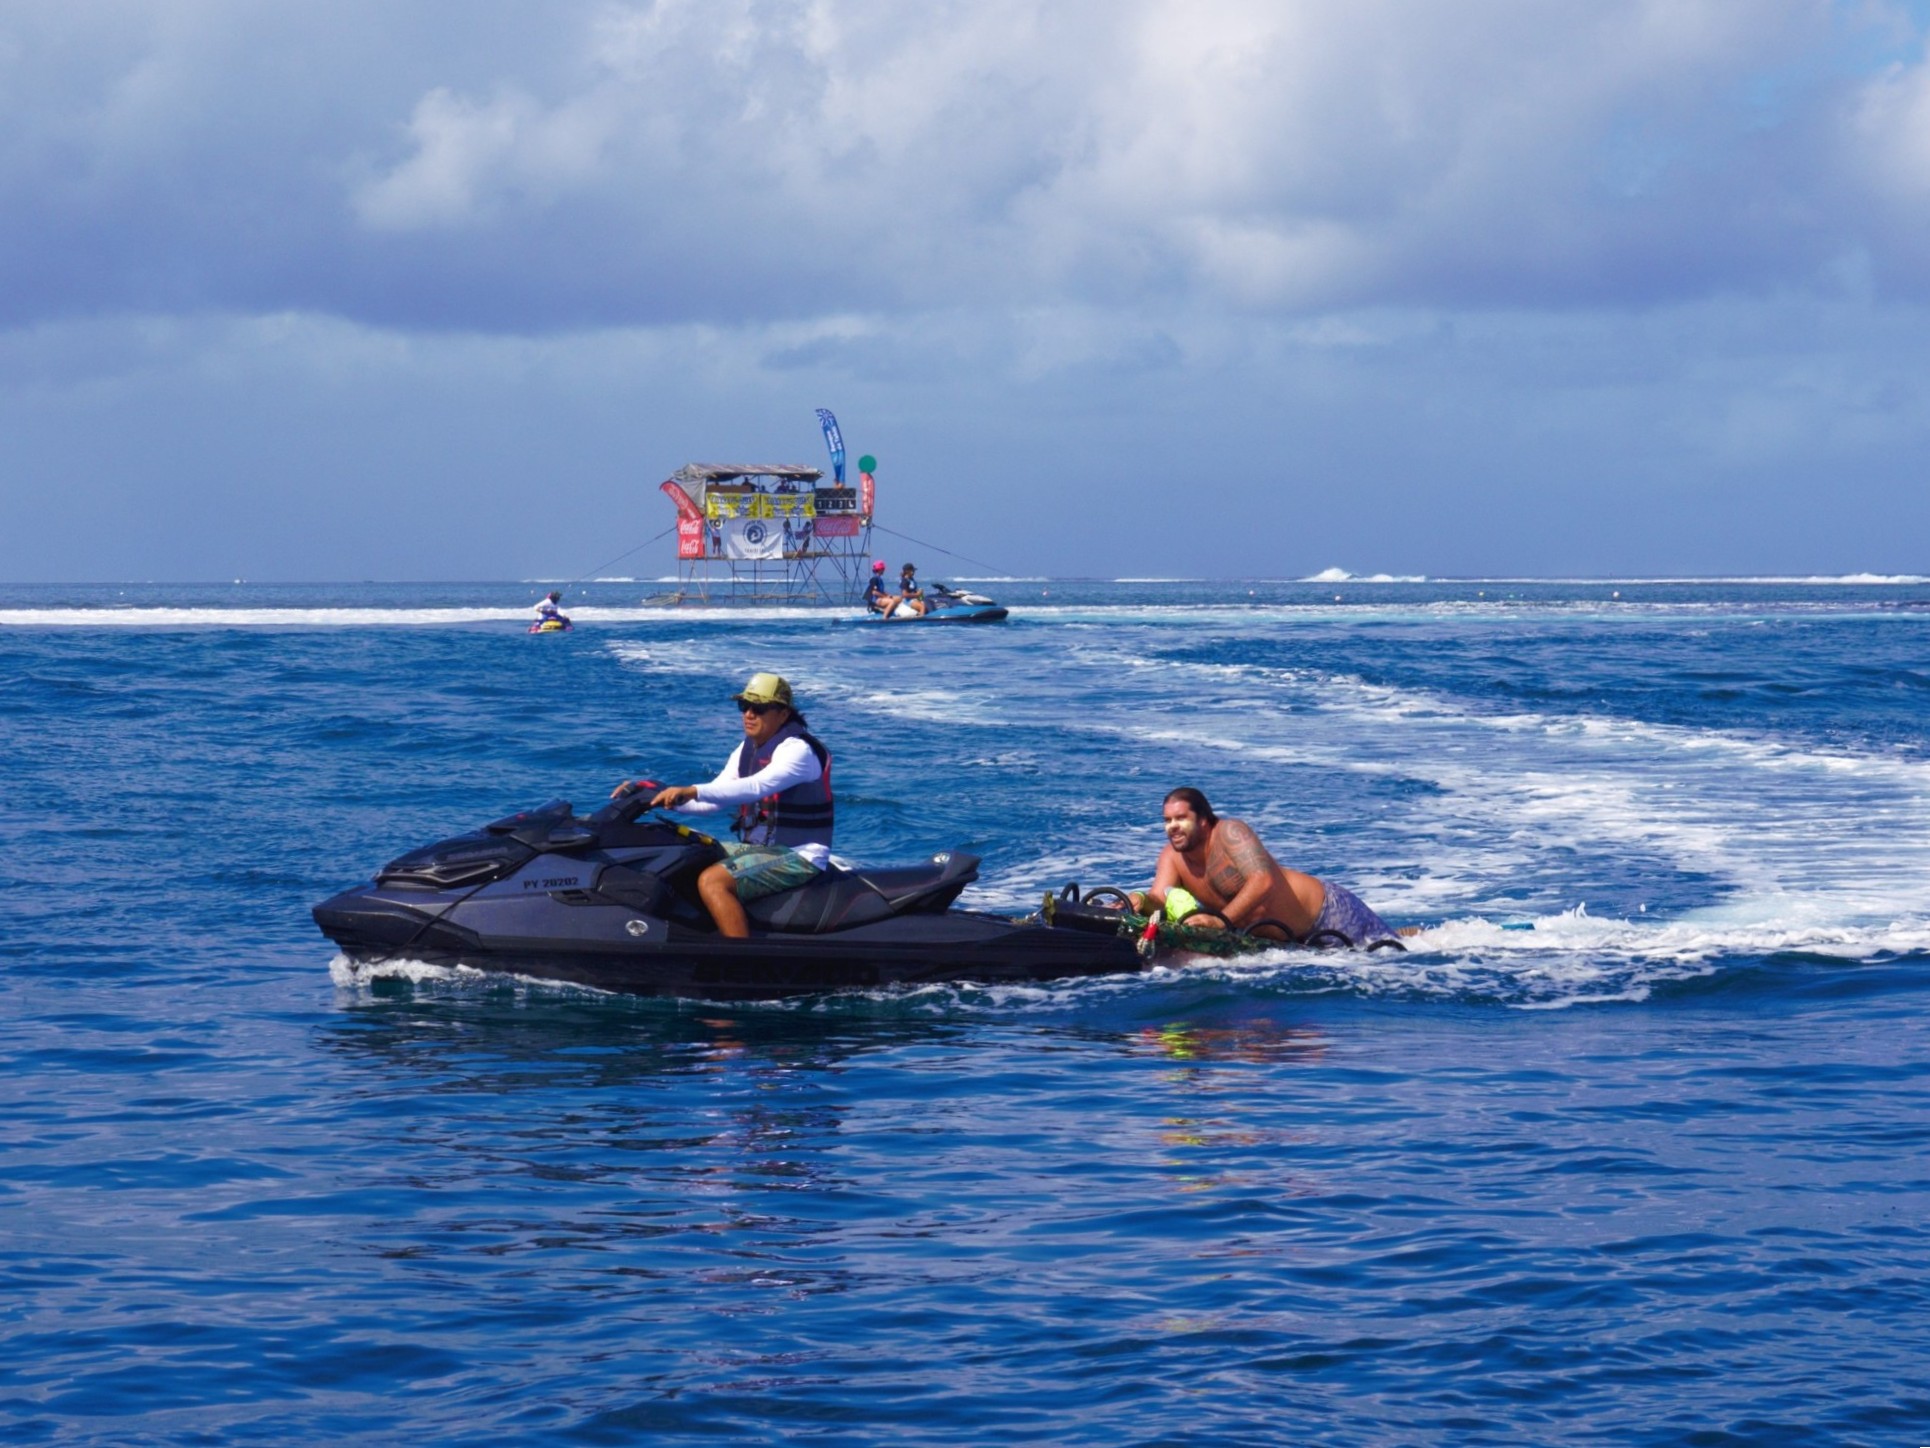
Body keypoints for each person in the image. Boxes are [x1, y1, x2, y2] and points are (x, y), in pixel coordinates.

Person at [611, 673, 833, 939]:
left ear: (783, 714)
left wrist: (691, 790)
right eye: (744, 706)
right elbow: (709, 803)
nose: (749, 714)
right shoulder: (747, 749)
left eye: (759, 708)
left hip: (799, 854)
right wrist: (655, 794)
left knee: (712, 881)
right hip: (760, 849)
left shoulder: (799, 751)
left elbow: (756, 787)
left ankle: (742, 961)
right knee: (682, 853)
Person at [1127, 787, 1405, 949]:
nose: (1172, 826)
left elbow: (1262, 880)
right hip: (1286, 940)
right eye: (1166, 820)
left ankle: (1427, 936)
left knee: (1391, 952)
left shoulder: (1230, 833)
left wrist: (1219, 921)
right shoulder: (1171, 856)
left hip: (1327, 914)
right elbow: (1159, 900)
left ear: (1202, 821)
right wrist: (1140, 900)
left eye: (1180, 818)